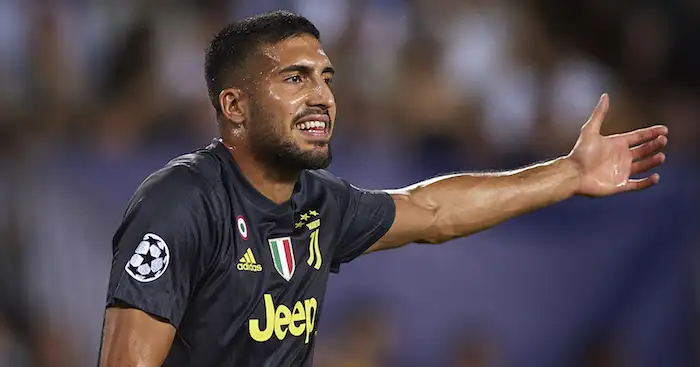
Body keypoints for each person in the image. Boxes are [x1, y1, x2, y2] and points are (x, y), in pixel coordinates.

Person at [98, 10, 668, 367]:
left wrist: (567, 174)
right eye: (295, 79)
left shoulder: (318, 203)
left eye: (326, 78)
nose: (321, 95)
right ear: (235, 106)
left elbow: (434, 209)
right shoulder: (180, 203)